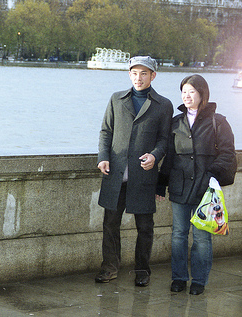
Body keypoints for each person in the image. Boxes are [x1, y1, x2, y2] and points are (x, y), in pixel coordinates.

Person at [95, 56, 173, 287]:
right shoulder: (116, 99)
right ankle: (109, 268)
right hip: (115, 172)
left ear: (153, 76)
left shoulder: (163, 104)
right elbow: (105, 131)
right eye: (134, 73)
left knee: (145, 226)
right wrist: (103, 158)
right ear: (129, 74)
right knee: (110, 224)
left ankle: (142, 271)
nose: (138, 78)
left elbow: (164, 139)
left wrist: (155, 156)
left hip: (144, 174)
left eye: (144, 74)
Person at [157, 74, 236, 295]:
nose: (187, 96)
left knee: (202, 236)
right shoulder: (176, 122)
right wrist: (160, 184)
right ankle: (179, 278)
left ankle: (199, 280)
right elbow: (170, 157)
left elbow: (228, 154)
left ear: (202, 94)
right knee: (178, 234)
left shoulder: (218, 121)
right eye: (184, 91)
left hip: (205, 188)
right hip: (179, 186)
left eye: (192, 91)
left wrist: (212, 174)